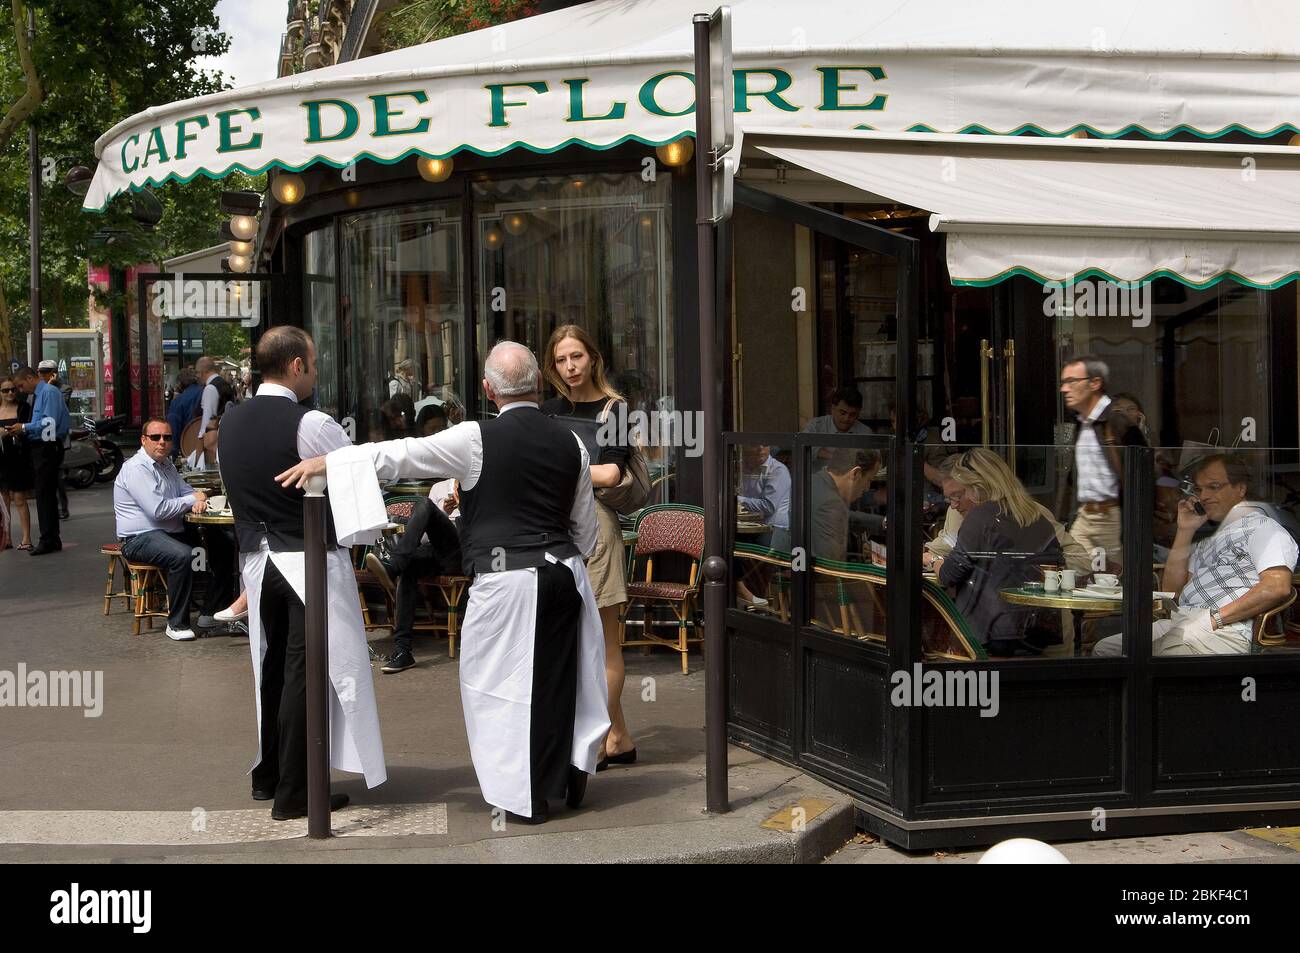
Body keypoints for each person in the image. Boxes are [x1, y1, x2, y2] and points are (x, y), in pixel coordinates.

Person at [279, 340, 608, 824]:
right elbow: (585, 528)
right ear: (540, 383)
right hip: (564, 572)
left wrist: (330, 462)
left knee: (498, 689)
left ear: (487, 389)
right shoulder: (572, 442)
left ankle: (525, 796)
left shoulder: (475, 438)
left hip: (506, 579)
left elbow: (402, 456)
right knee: (563, 678)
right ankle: (562, 772)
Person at [218, 327, 386, 820]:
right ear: (295, 365)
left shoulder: (229, 422)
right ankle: (296, 791)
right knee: (304, 673)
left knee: (270, 668)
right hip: (307, 557)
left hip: (256, 559)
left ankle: (269, 776)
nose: (315, 369)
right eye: (312, 361)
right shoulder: (310, 422)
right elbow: (360, 473)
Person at [540, 324, 637, 770]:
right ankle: (620, 737)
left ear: (593, 357)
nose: (570, 367)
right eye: (561, 360)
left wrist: (559, 469)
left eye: (576, 356)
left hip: (597, 526)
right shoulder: (551, 411)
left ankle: (596, 741)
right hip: (556, 528)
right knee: (577, 640)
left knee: (605, 643)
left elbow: (613, 474)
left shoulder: (614, 409)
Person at [1094, 454, 1298, 657]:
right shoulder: (1210, 539)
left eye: (1214, 486)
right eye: (1200, 489)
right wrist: (1185, 530)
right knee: (1105, 650)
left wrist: (1215, 618)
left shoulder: (1262, 528)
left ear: (1240, 489)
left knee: (1148, 658)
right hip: (1182, 620)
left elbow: (1276, 587)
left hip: (1224, 629)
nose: (1204, 496)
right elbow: (1172, 591)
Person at [933, 448, 1065, 655]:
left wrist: (934, 562)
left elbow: (950, 574)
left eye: (963, 491)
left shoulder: (980, 518)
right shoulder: (1035, 517)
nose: (956, 504)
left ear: (978, 486)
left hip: (990, 634)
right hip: (1035, 633)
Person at [114, 417, 235, 641]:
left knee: (224, 544)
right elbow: (158, 510)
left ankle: (210, 611)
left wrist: (194, 499)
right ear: (143, 440)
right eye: (155, 437)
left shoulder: (166, 465)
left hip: (171, 531)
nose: (162, 442)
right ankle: (177, 623)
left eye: (167, 437)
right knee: (183, 556)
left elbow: (185, 490)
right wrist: (191, 500)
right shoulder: (136, 469)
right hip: (140, 537)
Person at [923, 454, 1090, 575]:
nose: (953, 504)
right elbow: (945, 546)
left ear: (979, 487)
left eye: (958, 496)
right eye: (949, 498)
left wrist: (1028, 567)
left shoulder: (1029, 513)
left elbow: (1082, 561)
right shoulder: (958, 512)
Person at [1057, 356, 1147, 571]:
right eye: (1063, 382)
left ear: (1094, 383)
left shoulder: (1117, 422)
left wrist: (1135, 520)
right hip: (1083, 516)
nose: (1064, 389)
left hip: (1111, 517)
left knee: (1112, 581)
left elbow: (1142, 473)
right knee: (1074, 575)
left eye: (1071, 381)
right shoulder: (1080, 424)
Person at [365, 482, 464, 673]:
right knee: (409, 566)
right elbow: (423, 537)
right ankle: (403, 652)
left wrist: (463, 506)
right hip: (433, 552)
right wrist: (442, 511)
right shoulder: (439, 488)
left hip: (459, 551)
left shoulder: (474, 486)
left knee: (425, 504)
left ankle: (392, 565)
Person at [6, 366, 70, 555]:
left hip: (47, 446)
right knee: (45, 494)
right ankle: (51, 537)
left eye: (20, 385)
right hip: (42, 446)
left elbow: (49, 423)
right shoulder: (39, 394)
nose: (20, 389)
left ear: (29, 378)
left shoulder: (48, 392)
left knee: (44, 494)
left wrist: (24, 427)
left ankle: (48, 538)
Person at [810, 447, 881, 561]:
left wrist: (883, 522)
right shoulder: (830, 502)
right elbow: (830, 570)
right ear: (856, 473)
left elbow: (843, 514)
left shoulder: (815, 480)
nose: (867, 488)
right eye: (869, 480)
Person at [0, 377, 34, 550]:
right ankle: (6, 538)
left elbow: (29, 428)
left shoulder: (24, 407)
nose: (10, 393)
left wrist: (19, 431)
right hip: (1, 458)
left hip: (18, 457)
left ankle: (26, 538)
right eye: (5, 390)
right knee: (4, 499)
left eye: (13, 389)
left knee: (19, 498)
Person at [38, 360, 72, 520]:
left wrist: (50, 385)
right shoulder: (39, 389)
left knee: (57, 473)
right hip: (41, 437)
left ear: (54, 372)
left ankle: (62, 507)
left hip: (57, 437)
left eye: (47, 372)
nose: (44, 375)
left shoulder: (63, 389)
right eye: (41, 372)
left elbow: (55, 408)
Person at [191, 355, 235, 469]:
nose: (197, 376)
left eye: (197, 372)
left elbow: (207, 422)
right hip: (227, 438)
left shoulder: (210, 388)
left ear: (203, 372)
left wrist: (199, 450)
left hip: (213, 443)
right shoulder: (225, 385)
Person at [803, 385, 873, 436]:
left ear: (859, 412)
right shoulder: (816, 426)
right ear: (833, 409)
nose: (846, 419)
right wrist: (834, 456)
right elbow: (802, 447)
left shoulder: (865, 432)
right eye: (842, 413)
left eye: (852, 414)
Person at [167, 366, 203, 458]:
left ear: (180, 383)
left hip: (188, 446)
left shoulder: (178, 401)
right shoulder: (206, 392)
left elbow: (173, 427)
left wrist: (173, 454)